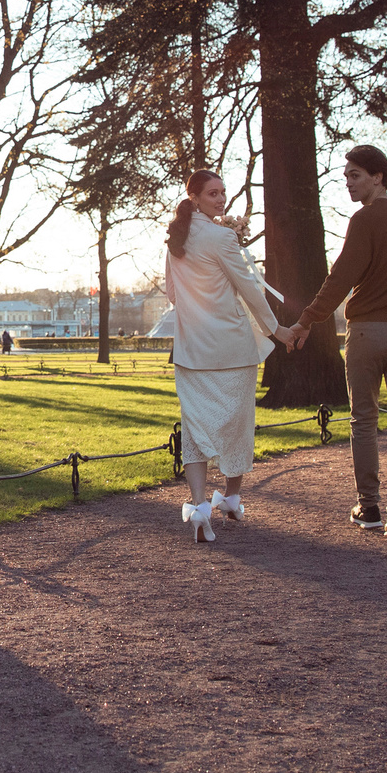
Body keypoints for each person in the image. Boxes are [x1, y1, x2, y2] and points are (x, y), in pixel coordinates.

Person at [275, 144, 387, 542]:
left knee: (364, 419)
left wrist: (307, 320)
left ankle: (369, 507)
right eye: (346, 176)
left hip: (368, 332)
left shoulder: (366, 218)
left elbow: (341, 277)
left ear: (378, 177)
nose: (348, 182)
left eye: (355, 175)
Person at [164, 169, 281, 543]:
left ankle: (200, 507)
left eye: (223, 193)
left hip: (191, 350)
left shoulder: (175, 241)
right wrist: (276, 329)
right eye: (213, 193)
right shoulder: (222, 236)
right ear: (195, 197)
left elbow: (172, 294)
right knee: (238, 425)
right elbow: (249, 288)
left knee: (195, 431)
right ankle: (231, 497)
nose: (221, 199)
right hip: (233, 349)